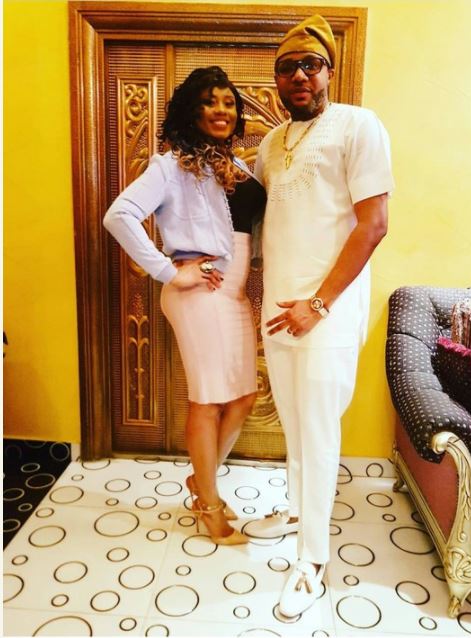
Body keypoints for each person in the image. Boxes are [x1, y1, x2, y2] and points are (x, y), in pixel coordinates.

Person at [246, 15, 395, 616]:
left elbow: (374, 224)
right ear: (277, 80)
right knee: (293, 422)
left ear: (329, 70)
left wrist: (318, 304)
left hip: (325, 312)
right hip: (278, 309)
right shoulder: (270, 143)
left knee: (318, 429)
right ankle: (295, 509)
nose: (299, 76)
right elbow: (262, 221)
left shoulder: (358, 126)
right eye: (287, 68)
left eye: (311, 65)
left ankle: (312, 561)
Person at [104, 66, 266, 546]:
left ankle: (202, 480)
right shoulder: (172, 165)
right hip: (199, 294)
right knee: (208, 400)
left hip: (232, 294)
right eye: (209, 101)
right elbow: (119, 215)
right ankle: (209, 505)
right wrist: (170, 271)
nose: (221, 110)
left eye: (228, 102)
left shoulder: (237, 167)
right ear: (191, 111)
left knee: (243, 396)